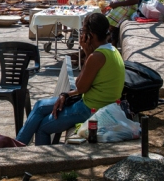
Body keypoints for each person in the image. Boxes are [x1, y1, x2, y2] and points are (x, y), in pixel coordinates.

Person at [16, 13, 125, 145]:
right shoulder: (111, 50)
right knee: (39, 106)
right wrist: (65, 95)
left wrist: (85, 50)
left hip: (91, 108)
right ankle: (18, 146)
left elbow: (80, 86)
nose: (81, 34)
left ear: (91, 35)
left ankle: (29, 155)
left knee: (43, 127)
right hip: (95, 102)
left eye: (83, 31)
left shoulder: (97, 56)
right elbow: (83, 85)